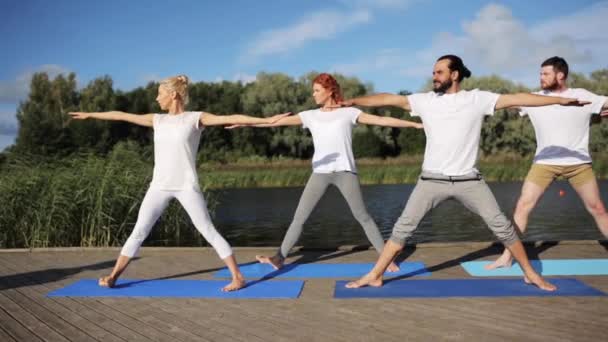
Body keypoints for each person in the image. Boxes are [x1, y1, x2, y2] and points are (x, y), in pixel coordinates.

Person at [342, 55, 590, 291]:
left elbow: (519, 98)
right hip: (431, 181)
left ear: (455, 74)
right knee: (402, 229)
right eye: (433, 73)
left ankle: (530, 273)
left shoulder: (477, 99)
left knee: (503, 227)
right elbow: (388, 99)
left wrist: (558, 100)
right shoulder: (425, 101)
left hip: (469, 181)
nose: (434, 77)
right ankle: (375, 275)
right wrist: (354, 101)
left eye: (439, 72)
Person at [69, 75, 289, 291]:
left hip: (186, 186)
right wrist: (91, 115)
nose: (156, 99)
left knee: (207, 230)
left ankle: (237, 277)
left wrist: (266, 120)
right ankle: (113, 277)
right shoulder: (157, 119)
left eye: (160, 94)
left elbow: (230, 117)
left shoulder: (195, 118)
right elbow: (121, 115)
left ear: (173, 95)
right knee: (139, 231)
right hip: (159, 186)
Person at [232, 73, 423, 271]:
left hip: (345, 172)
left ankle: (387, 260)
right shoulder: (310, 115)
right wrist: (245, 123)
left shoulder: (349, 112)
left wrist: (414, 124)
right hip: (320, 174)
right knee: (299, 217)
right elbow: (273, 122)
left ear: (329, 91)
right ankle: (279, 258)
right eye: (313, 90)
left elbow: (381, 120)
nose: (313, 94)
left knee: (362, 216)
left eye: (316, 90)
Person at [485, 56, 608, 270]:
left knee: (597, 208)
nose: (541, 78)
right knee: (523, 206)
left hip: (578, 163)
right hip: (545, 163)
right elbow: (508, 101)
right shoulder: (535, 99)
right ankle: (507, 256)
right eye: (540, 74)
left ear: (560, 75)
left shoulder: (581, 95)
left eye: (545, 74)